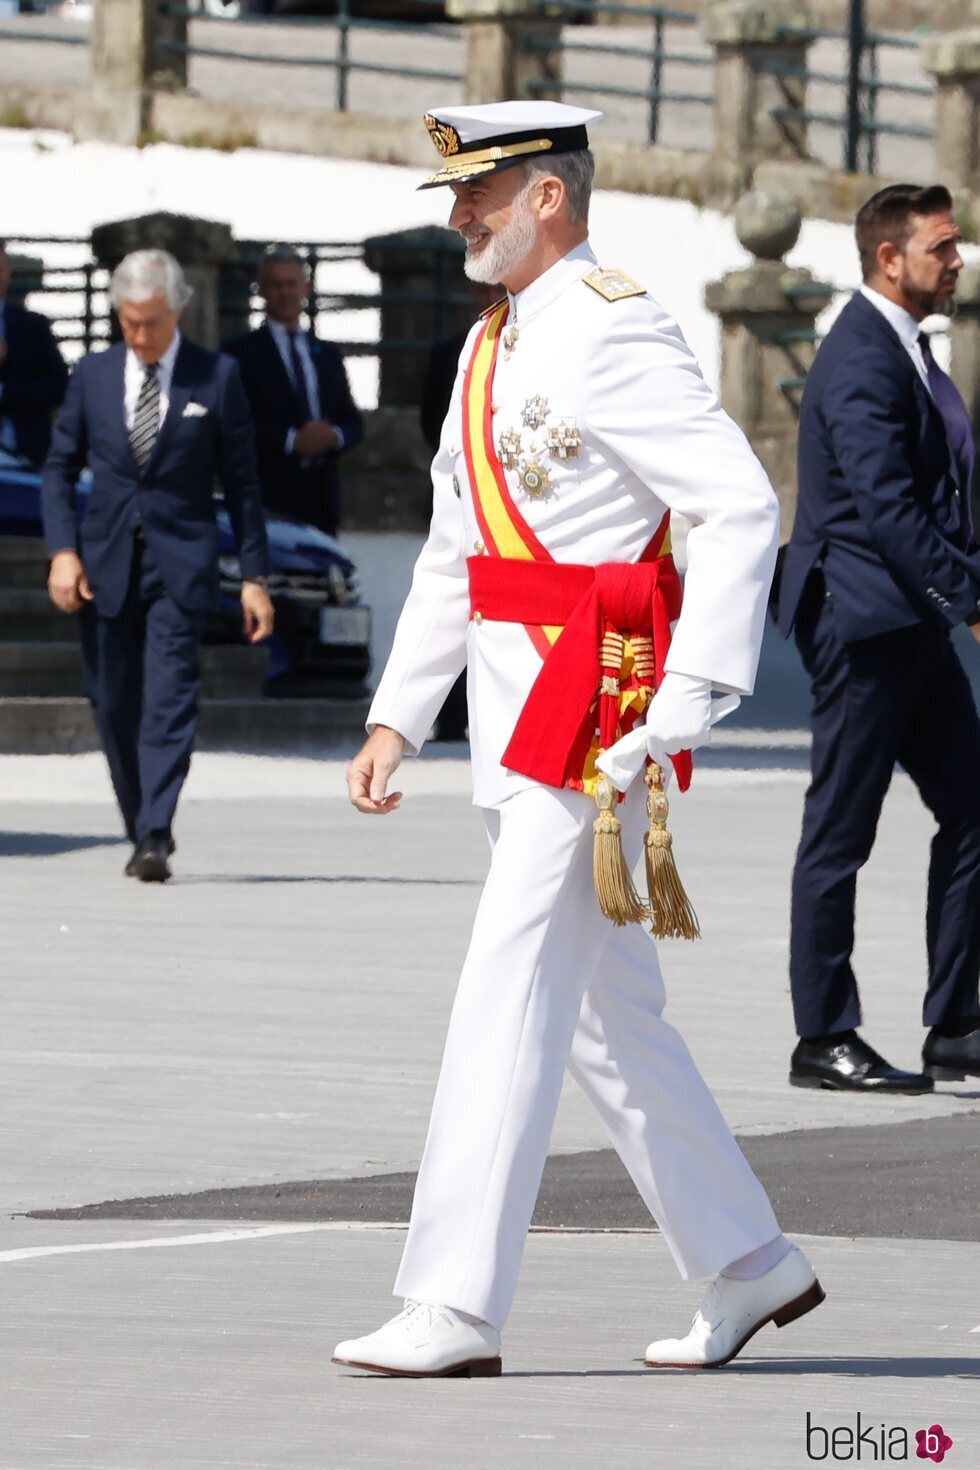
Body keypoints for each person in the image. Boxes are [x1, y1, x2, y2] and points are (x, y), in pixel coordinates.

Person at [335, 101, 824, 1378]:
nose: (457, 221)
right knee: (609, 1022)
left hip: (596, 714)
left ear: (546, 196)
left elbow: (733, 504)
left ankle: (452, 1303)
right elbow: (461, 547)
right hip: (512, 714)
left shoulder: (614, 328)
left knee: (505, 989)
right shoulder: (491, 341)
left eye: (477, 198)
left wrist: (684, 704)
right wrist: (401, 709)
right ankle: (747, 1263)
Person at [777, 184, 980, 1093]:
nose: (958, 261)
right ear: (888, 258)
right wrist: (967, 598)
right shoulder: (861, 355)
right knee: (840, 833)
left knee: (975, 808)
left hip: (911, 623)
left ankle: (958, 1022)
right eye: (942, 247)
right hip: (863, 623)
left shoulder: (904, 348)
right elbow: (886, 509)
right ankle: (824, 1035)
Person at [42, 249, 274, 884]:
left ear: (176, 312)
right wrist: (62, 551)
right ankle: (137, 818)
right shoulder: (91, 375)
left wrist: (254, 577)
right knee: (113, 701)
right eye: (128, 323)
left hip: (181, 564)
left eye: (150, 322)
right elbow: (59, 471)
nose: (139, 336)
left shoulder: (216, 377)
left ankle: (155, 833)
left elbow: (244, 484)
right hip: (104, 562)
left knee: (169, 700)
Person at [223, 246, 363, 538]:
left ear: (306, 288)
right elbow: (232, 425)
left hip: (322, 504)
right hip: (268, 500)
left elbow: (353, 423)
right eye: (276, 285)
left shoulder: (327, 355)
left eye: (291, 284)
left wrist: (332, 436)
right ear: (260, 290)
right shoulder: (239, 353)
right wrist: (291, 440)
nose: (285, 293)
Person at [419, 279, 499, 741]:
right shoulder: (451, 351)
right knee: (452, 600)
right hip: (462, 494)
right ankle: (449, 717)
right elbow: (433, 420)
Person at [0, 239, 69, 468]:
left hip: (27, 457)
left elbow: (60, 385)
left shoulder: (33, 326)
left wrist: (6, 393)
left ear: (8, 273)